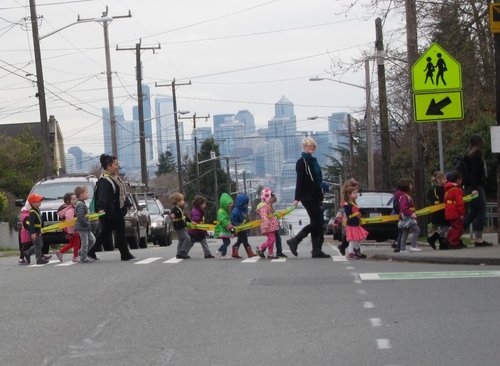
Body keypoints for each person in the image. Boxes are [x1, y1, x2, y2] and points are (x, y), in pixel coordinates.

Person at [287, 137, 330, 258]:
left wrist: (322, 185)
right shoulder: (302, 162)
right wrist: (297, 198)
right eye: (309, 146)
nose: (311, 148)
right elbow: (299, 181)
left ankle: (317, 250)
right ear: (304, 147)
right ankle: (295, 240)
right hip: (307, 196)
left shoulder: (313, 161)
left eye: (313, 146)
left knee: (318, 223)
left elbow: (316, 179)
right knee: (316, 222)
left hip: (316, 195)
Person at [88, 154, 136, 261]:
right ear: (109, 166)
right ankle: (125, 254)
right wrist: (101, 208)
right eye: (115, 164)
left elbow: (120, 193)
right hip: (112, 212)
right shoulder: (104, 180)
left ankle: (91, 252)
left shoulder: (114, 178)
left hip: (116, 210)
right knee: (120, 233)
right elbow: (102, 196)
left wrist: (127, 203)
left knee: (105, 233)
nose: (117, 166)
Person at [462, 135, 492, 247]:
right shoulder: (476, 157)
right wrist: (475, 189)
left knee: (473, 213)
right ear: (479, 144)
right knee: (481, 212)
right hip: (476, 187)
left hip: (468, 187)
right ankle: (478, 239)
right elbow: (475, 174)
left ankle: (456, 234)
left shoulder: (467, 156)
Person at [395, 178, 421, 253]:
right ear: (406, 186)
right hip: (408, 217)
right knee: (417, 230)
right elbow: (404, 208)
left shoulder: (404, 196)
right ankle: (413, 246)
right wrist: (411, 213)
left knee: (405, 232)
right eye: (410, 184)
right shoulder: (404, 196)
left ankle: (402, 248)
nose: (411, 186)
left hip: (405, 217)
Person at [343, 186, 369, 260]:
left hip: (356, 224)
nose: (356, 194)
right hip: (351, 224)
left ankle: (356, 248)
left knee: (360, 237)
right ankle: (351, 253)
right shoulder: (347, 204)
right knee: (352, 240)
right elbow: (348, 213)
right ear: (349, 194)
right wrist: (356, 212)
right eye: (354, 193)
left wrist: (360, 212)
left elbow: (357, 212)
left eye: (356, 193)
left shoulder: (354, 203)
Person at [22, 193, 48, 265]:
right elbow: (31, 224)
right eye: (38, 201)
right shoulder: (32, 212)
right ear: (32, 203)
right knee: (38, 245)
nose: (40, 202)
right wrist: (32, 233)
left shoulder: (37, 209)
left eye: (40, 201)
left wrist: (42, 228)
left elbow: (40, 220)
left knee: (40, 244)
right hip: (34, 231)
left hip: (38, 230)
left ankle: (28, 253)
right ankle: (39, 260)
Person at [426, 172, 450, 250]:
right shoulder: (441, 189)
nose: (446, 180)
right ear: (439, 180)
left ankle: (442, 244)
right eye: (444, 179)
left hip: (436, 210)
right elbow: (444, 199)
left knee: (442, 227)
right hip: (441, 211)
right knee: (446, 226)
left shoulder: (434, 188)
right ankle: (432, 238)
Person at [55, 192, 80, 263]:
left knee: (72, 243)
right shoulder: (69, 211)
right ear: (68, 201)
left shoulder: (71, 208)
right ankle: (75, 257)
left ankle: (60, 252)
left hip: (68, 229)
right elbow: (70, 222)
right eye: (73, 199)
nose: (75, 200)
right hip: (71, 230)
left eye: (76, 199)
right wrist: (71, 232)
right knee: (77, 242)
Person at [255, 188, 280, 259]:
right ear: (267, 197)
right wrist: (266, 224)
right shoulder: (263, 206)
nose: (271, 202)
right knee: (272, 239)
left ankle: (270, 254)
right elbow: (264, 216)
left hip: (271, 226)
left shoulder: (266, 205)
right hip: (268, 226)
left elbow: (269, 215)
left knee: (271, 240)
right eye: (271, 199)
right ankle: (260, 248)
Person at [338, 178, 360, 256]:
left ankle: (356, 251)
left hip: (353, 220)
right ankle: (344, 247)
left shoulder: (353, 199)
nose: (356, 193)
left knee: (354, 236)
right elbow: (345, 210)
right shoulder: (346, 199)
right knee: (350, 236)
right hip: (348, 219)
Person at [230, 193, 256, 258]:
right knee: (244, 239)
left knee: (240, 240)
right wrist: (238, 225)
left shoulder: (243, 209)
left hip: (243, 227)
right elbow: (233, 221)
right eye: (245, 203)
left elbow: (245, 217)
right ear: (242, 203)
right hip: (239, 228)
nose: (246, 204)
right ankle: (249, 252)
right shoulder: (236, 211)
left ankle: (235, 251)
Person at [74, 186, 96, 263]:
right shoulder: (80, 204)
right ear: (81, 195)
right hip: (82, 227)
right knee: (85, 242)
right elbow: (80, 217)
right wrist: (87, 224)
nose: (88, 194)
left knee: (92, 240)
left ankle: (82, 252)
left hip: (85, 227)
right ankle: (83, 258)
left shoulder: (82, 203)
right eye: (86, 193)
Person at [444, 171, 465, 250]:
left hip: (448, 211)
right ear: (458, 180)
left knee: (453, 227)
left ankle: (447, 240)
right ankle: (453, 242)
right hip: (455, 212)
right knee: (458, 227)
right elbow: (460, 203)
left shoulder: (447, 189)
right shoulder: (457, 190)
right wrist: (462, 213)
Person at [170, 192, 192, 259]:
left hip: (182, 226)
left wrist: (191, 221)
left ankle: (179, 254)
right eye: (182, 200)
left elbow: (184, 216)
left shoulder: (181, 209)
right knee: (187, 239)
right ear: (177, 201)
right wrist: (172, 216)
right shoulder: (175, 209)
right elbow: (173, 214)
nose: (183, 202)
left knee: (181, 240)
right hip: (178, 227)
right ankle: (182, 251)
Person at [214, 193, 235, 259]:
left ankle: (220, 252)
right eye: (229, 204)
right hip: (222, 229)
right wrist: (230, 227)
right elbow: (223, 221)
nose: (231, 206)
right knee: (227, 242)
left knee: (227, 242)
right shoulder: (221, 211)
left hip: (224, 229)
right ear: (224, 204)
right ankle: (222, 253)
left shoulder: (224, 211)